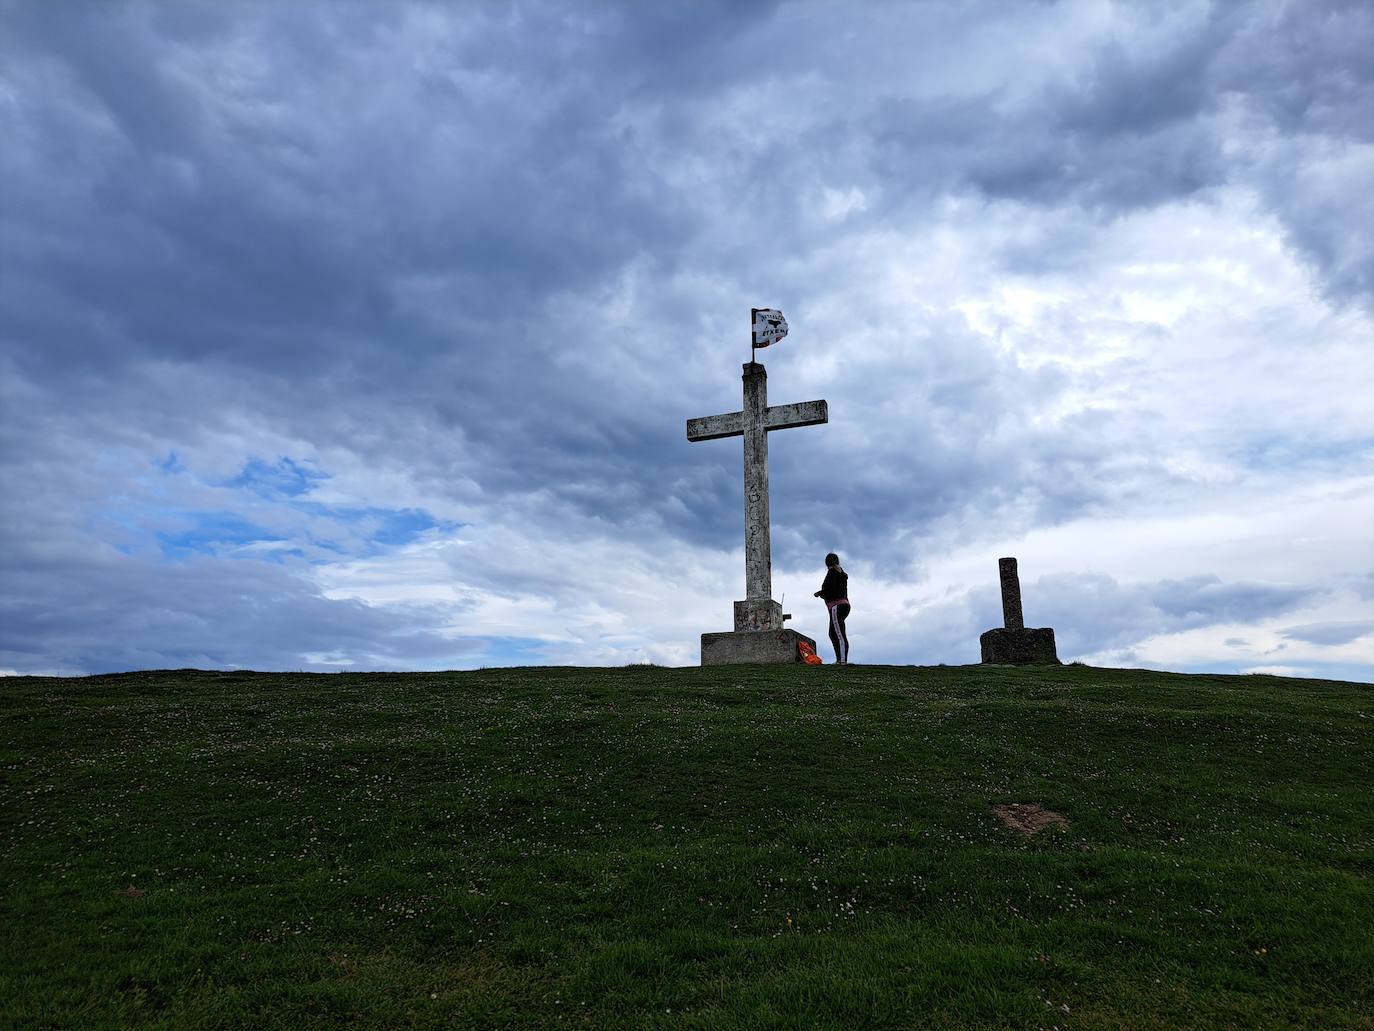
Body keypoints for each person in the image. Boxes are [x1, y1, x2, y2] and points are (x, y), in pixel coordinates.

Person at [814, 552, 850, 664]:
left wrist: (820, 593)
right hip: (843, 605)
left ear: (826, 563)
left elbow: (830, 590)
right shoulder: (841, 573)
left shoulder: (832, 572)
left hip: (836, 606)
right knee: (833, 633)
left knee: (839, 634)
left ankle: (842, 661)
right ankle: (839, 659)